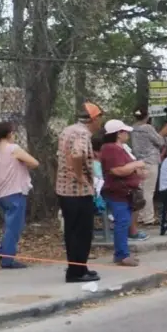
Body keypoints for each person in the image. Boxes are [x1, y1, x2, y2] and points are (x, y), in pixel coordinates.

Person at [57, 102, 102, 283]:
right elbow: (77, 155)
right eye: (100, 117)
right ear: (93, 118)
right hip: (78, 191)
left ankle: (78, 268)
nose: (100, 122)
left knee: (72, 231)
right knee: (83, 232)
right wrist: (79, 176)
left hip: (64, 189)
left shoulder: (69, 130)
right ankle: (77, 272)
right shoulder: (83, 133)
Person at [0, 121, 38, 269]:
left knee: (10, 225)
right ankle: (7, 259)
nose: (14, 136)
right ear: (8, 134)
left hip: (0, 194)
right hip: (15, 192)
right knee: (14, 227)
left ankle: (2, 251)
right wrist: (22, 164)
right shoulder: (13, 149)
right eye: (13, 133)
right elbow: (34, 163)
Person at [100, 120, 147, 267]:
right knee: (122, 222)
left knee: (124, 221)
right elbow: (117, 170)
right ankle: (122, 255)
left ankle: (122, 253)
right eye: (124, 132)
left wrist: (137, 171)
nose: (127, 134)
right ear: (118, 134)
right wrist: (136, 165)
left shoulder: (121, 148)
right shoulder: (110, 149)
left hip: (126, 191)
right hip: (117, 192)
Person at [128, 106, 164, 225]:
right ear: (147, 116)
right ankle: (148, 218)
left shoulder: (133, 128)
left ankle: (140, 216)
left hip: (138, 160)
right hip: (151, 159)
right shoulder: (148, 128)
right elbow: (160, 141)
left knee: (142, 189)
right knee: (149, 190)